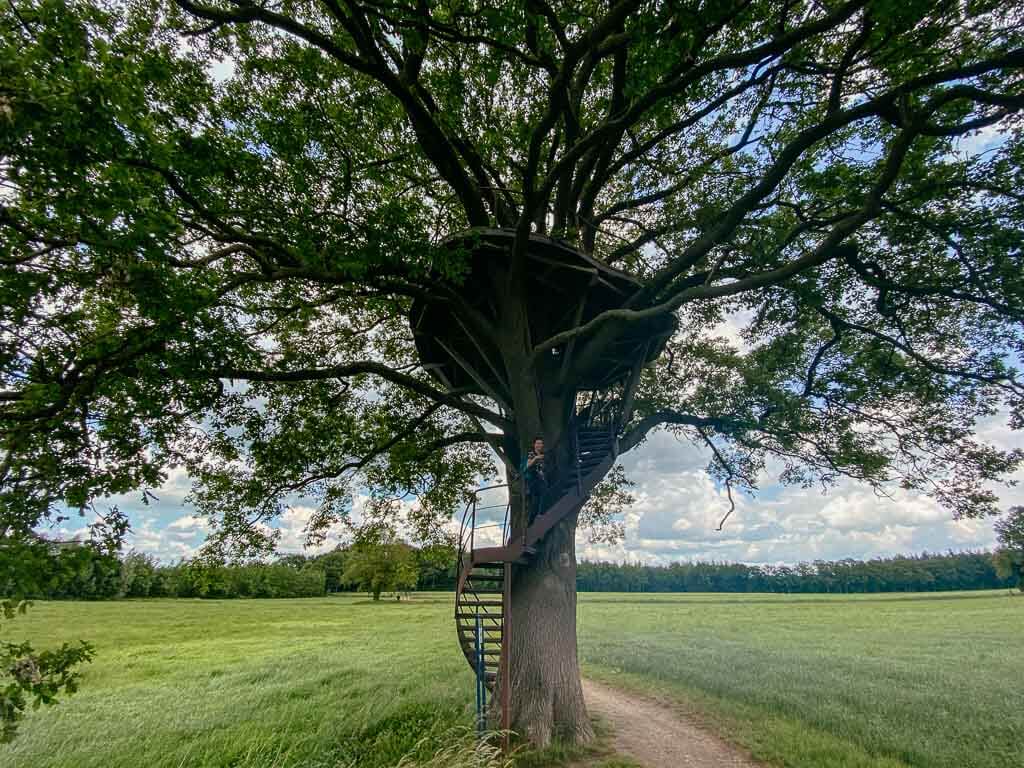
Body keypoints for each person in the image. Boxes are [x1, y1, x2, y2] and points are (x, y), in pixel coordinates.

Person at [523, 436, 548, 525]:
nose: (539, 445)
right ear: (534, 445)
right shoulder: (531, 454)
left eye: (541, 443)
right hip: (533, 480)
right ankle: (537, 516)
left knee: (538, 500)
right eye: (537, 443)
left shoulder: (543, 455)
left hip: (540, 480)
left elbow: (543, 469)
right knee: (539, 496)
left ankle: (533, 519)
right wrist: (536, 458)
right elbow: (528, 465)